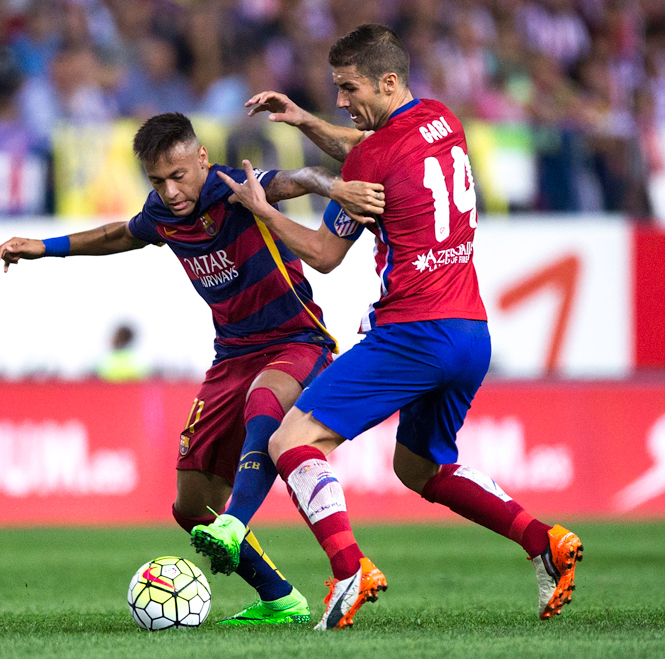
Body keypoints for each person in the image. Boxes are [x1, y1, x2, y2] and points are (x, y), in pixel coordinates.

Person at [193, 24, 583, 631]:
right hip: (469, 332)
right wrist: (304, 120)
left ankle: (349, 571)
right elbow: (371, 143)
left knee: (290, 441)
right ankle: (544, 540)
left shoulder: (370, 160)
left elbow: (324, 254)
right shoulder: (442, 119)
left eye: (349, 89)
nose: (341, 100)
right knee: (419, 468)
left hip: (413, 332)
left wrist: (263, 210)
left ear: (389, 80)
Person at [0, 111, 385, 625]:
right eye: (158, 180)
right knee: (192, 507)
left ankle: (236, 522)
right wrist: (44, 248)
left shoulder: (232, 189)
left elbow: (299, 178)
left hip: (296, 340)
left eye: (178, 176)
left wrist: (334, 186)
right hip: (231, 356)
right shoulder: (162, 213)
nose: (170, 190)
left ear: (201, 158)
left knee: (264, 402)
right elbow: (118, 234)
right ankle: (280, 599)